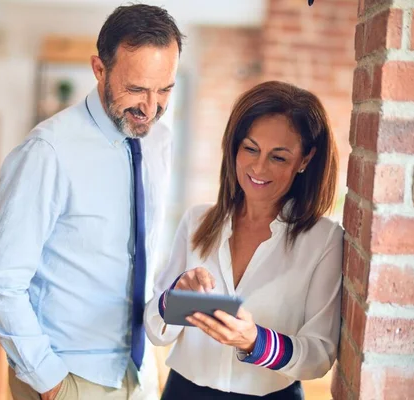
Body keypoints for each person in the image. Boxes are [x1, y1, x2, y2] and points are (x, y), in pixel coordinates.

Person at [0, 4, 184, 400]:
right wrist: (50, 380)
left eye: (166, 89)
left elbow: (142, 249)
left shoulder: (159, 139)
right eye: (137, 88)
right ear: (99, 69)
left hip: (137, 373)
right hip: (67, 373)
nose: (151, 107)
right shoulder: (47, 151)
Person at [144, 81, 343, 399]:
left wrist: (255, 341)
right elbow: (156, 331)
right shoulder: (197, 221)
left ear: (305, 160)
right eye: (250, 149)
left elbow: (319, 355)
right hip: (183, 391)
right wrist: (175, 295)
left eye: (278, 157)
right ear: (234, 146)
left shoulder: (324, 240)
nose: (258, 167)